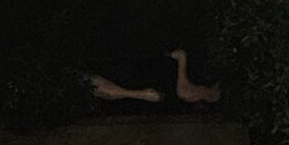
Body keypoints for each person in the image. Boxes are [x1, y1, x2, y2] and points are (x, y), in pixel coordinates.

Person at [89, 48, 220, 107]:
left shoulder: (188, 92)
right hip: (141, 71)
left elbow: (180, 55)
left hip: (141, 76)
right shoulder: (189, 87)